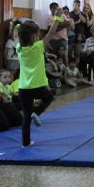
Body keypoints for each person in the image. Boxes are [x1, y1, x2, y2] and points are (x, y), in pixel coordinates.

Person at [17, 8, 62, 147]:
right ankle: (36, 113)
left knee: (26, 115)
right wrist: (57, 18)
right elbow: (51, 32)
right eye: (37, 34)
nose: (39, 36)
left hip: (23, 88)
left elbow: (18, 34)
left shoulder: (19, 48)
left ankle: (25, 142)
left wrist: (17, 26)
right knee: (48, 97)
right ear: (33, 37)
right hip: (37, 86)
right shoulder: (38, 47)